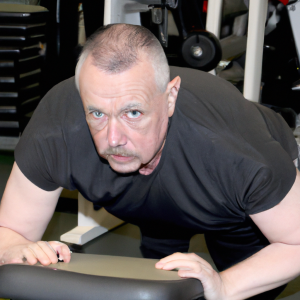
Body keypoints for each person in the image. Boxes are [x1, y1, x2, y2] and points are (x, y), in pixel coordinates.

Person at [1, 23, 300, 300]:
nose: (113, 138)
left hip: (231, 208)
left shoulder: (236, 155)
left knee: (245, 289)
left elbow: (296, 244)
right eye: (97, 114)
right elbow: (9, 231)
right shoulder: (55, 128)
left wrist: (226, 285)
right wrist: (15, 249)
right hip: (152, 200)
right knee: (159, 279)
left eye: (133, 113)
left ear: (170, 98)